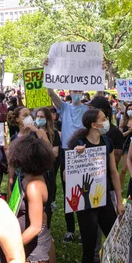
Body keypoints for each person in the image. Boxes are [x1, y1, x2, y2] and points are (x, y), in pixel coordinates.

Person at [67, 109, 124, 263]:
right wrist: (76, 156)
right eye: (104, 118)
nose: (107, 121)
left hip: (104, 199)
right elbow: (66, 176)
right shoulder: (77, 144)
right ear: (94, 124)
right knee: (89, 246)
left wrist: (119, 201)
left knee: (114, 238)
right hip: (86, 204)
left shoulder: (107, 142)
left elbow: (114, 173)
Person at [46, 83, 88, 244]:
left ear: (83, 92)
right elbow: (51, 93)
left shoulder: (86, 109)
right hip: (66, 152)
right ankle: (70, 230)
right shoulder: (64, 107)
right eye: (74, 91)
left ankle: (84, 230)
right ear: (70, 92)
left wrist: (101, 72)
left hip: (82, 153)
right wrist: (48, 71)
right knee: (68, 193)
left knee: (84, 190)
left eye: (79, 91)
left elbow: (98, 94)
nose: (77, 93)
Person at [9, 134, 55, 263]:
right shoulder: (26, 177)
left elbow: (35, 227)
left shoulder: (33, 186)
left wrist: (12, 246)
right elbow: (43, 215)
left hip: (33, 251)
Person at [119, 103, 132, 186]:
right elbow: (121, 135)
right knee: (124, 169)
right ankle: (119, 187)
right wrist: (129, 131)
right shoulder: (123, 120)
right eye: (129, 109)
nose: (130, 111)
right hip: (126, 145)